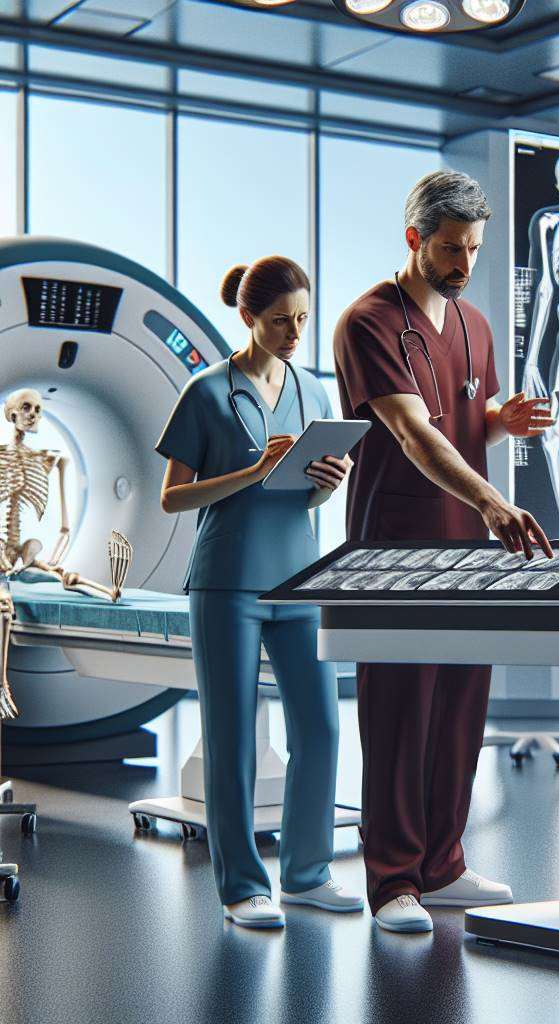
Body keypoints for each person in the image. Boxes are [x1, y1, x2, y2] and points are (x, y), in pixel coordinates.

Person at [334, 170, 554, 934]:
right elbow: (412, 432)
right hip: (398, 547)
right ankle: (393, 879)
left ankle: (444, 863)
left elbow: (464, 417)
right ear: (414, 240)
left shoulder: (475, 325)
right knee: (399, 713)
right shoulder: (366, 322)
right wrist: (493, 501)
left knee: (461, 705)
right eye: (452, 248)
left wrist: (502, 419)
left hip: (471, 550)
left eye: (474, 249)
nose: (464, 263)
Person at [157, 257, 363, 929]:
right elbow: (172, 497)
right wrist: (252, 470)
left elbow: (312, 491)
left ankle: (306, 872)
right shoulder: (206, 392)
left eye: (302, 319)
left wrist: (327, 483)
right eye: (280, 321)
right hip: (227, 580)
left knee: (323, 727)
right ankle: (242, 886)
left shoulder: (312, 392)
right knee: (232, 738)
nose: (294, 332)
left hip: (300, 573)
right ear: (248, 318)